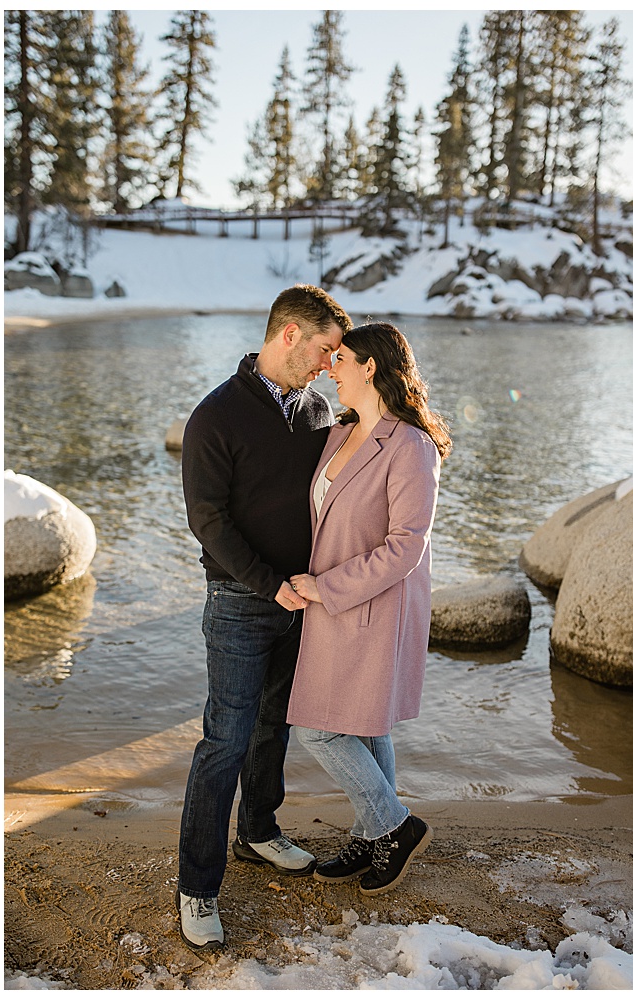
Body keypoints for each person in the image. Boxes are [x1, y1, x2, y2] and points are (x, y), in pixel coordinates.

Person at [175, 284, 351, 949]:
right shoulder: (214, 417)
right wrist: (268, 584)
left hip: (299, 600)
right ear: (288, 335)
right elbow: (206, 521)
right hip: (241, 602)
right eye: (325, 350)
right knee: (224, 738)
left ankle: (258, 831)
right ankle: (197, 886)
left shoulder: (317, 409)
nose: (328, 364)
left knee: (274, 724)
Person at [285, 322, 446, 896]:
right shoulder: (337, 433)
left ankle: (394, 827)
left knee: (317, 729)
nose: (331, 366)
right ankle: (370, 835)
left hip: (371, 606)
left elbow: (406, 546)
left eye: (342, 358)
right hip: (328, 602)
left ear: (371, 367)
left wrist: (323, 587)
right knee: (366, 724)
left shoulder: (410, 446)